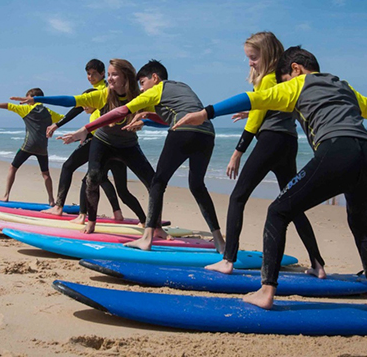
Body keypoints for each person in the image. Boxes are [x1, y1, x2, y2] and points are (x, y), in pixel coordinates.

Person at [173, 46, 367, 314]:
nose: (285, 84)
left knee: (278, 211)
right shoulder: (343, 86)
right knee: (360, 222)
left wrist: (206, 113)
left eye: (285, 78)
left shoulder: (298, 83)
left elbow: (252, 99)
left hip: (337, 151)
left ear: (296, 69)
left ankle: (266, 292)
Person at [57, 59, 226, 252]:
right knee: (197, 185)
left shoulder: (155, 90)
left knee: (157, 182)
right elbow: (168, 118)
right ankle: (219, 241)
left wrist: (86, 128)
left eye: (143, 83)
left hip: (179, 132)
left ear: (155, 78)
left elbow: (121, 111)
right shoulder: (181, 87)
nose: (142, 89)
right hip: (207, 133)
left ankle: (147, 237)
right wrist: (146, 120)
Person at [204, 32, 325, 277]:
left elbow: (259, 116)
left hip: (270, 142)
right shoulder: (286, 81)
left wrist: (238, 151)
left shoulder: (268, 79)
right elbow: (279, 109)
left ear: (267, 55)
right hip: (288, 142)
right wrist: (253, 114)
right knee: (293, 205)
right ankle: (318, 264)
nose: (250, 62)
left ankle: (228, 260)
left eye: (253, 57)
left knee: (238, 197)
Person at [12, 59, 157, 235]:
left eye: (114, 74)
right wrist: (37, 99)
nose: (110, 79)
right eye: (109, 74)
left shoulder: (139, 96)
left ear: (126, 76)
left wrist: (147, 119)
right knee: (92, 179)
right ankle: (90, 222)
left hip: (128, 145)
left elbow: (158, 116)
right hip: (103, 141)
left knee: (153, 183)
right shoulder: (103, 94)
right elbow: (72, 101)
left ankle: (153, 226)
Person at [41, 59, 146, 226]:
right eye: (88, 74)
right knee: (103, 179)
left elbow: (75, 103)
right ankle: (119, 214)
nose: (90, 77)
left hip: (99, 138)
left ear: (102, 73)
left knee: (77, 171)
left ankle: (70, 211)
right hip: (108, 140)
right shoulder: (104, 90)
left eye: (93, 74)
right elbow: (78, 103)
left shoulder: (107, 90)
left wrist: (58, 123)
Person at [0, 88, 63, 205]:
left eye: (26, 98)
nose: (24, 100)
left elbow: (8, 105)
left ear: (31, 98)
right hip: (42, 147)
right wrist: (54, 127)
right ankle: (51, 200)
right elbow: (63, 118)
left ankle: (6, 196)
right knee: (45, 174)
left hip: (28, 146)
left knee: (13, 168)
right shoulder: (49, 112)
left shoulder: (26, 109)